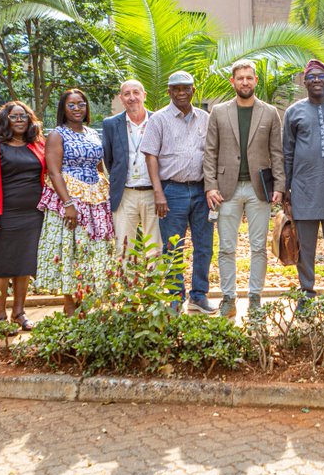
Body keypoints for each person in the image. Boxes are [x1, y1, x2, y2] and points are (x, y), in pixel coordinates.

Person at [205, 60, 286, 319]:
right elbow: (210, 152)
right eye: (240, 78)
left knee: (258, 247)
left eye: (249, 78)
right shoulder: (218, 112)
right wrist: (210, 186)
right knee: (226, 247)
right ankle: (228, 299)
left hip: (258, 189)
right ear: (233, 81)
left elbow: (277, 152)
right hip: (225, 190)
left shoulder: (270, 112)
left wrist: (280, 186)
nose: (244, 82)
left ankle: (255, 298)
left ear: (255, 81)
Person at [34, 89, 115, 314]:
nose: (77, 108)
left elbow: (99, 164)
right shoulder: (57, 134)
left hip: (95, 196)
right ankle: (70, 304)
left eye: (81, 104)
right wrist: (68, 204)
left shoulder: (91, 133)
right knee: (71, 248)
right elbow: (54, 171)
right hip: (69, 196)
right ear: (63, 109)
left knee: (92, 247)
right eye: (71, 105)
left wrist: (105, 191)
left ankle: (87, 299)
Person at [141, 70, 213, 313]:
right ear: (169, 92)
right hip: (172, 191)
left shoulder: (205, 118)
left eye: (186, 88)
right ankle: (175, 296)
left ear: (193, 90)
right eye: (176, 89)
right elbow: (150, 157)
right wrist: (158, 193)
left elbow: (213, 154)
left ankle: (199, 295)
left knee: (204, 245)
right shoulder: (158, 119)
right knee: (173, 246)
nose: (181, 92)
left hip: (202, 191)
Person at [0, 101, 45, 332]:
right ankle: (0, 315)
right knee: (0, 265)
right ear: (5, 120)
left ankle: (19, 313)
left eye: (24, 116)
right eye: (14, 116)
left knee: (24, 264)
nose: (20, 120)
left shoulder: (38, 145)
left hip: (31, 215)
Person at [282, 60, 324, 305]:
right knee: (305, 250)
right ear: (305, 82)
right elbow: (287, 152)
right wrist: (285, 188)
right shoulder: (294, 112)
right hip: (304, 191)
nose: (317, 81)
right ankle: (306, 294)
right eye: (311, 77)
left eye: (321, 76)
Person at [102, 79, 161, 257]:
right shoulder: (111, 124)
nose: (132, 97)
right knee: (124, 246)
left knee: (155, 247)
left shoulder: (158, 120)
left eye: (136, 93)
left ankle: (154, 284)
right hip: (125, 192)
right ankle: (127, 284)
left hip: (154, 193)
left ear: (144, 95)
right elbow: (109, 158)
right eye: (127, 94)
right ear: (121, 98)